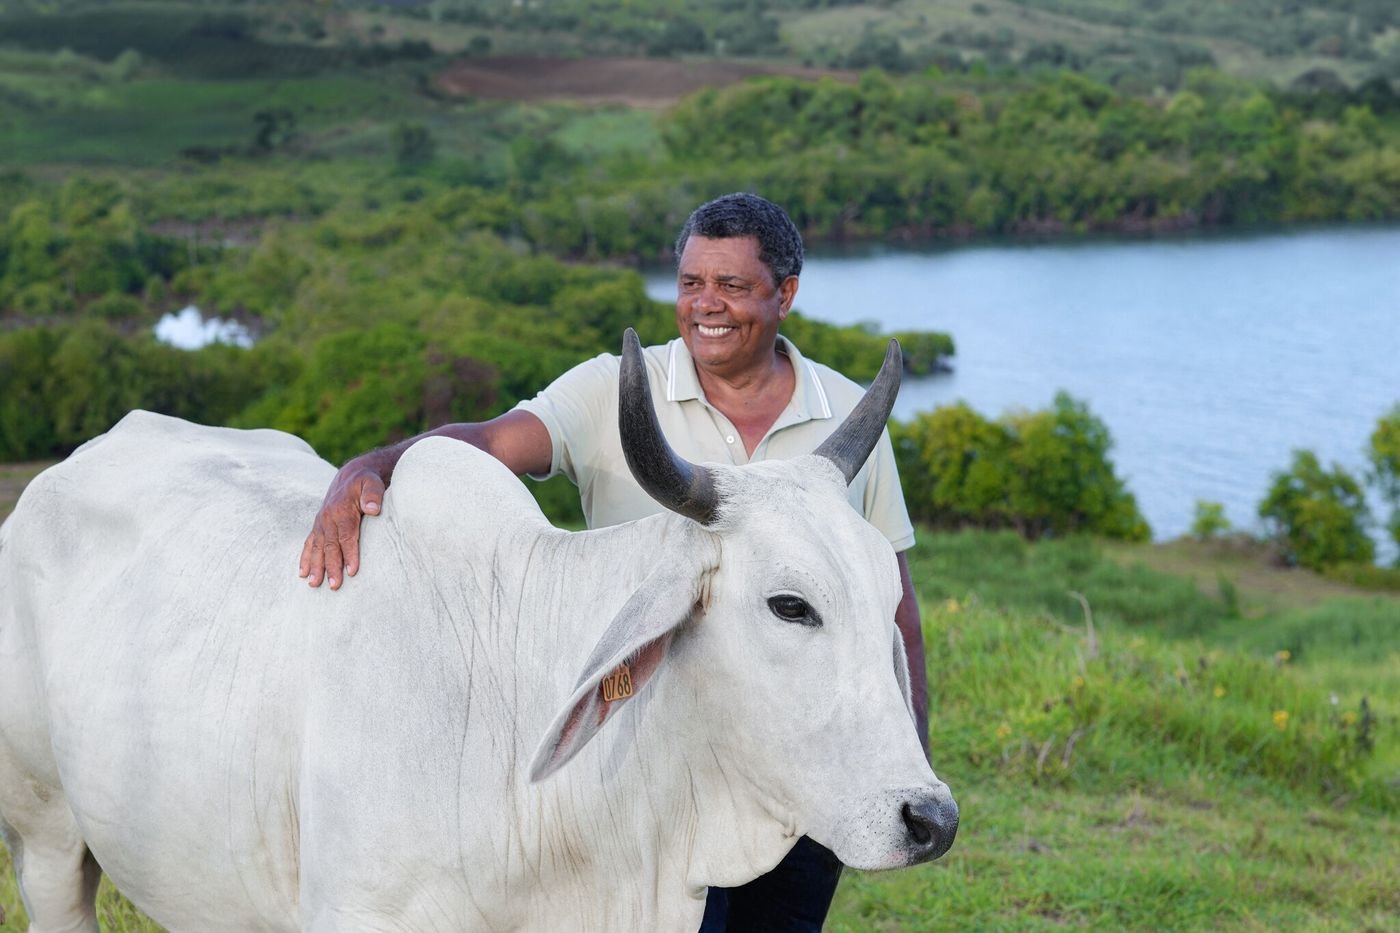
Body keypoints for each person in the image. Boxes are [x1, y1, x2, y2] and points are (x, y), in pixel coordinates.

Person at [299, 192, 929, 932]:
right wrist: (367, 466)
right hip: (643, 772)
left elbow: (892, 607)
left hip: (792, 767)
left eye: (733, 285)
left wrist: (907, 759)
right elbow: (495, 441)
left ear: (784, 293)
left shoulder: (846, 420)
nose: (706, 306)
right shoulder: (612, 391)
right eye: (692, 284)